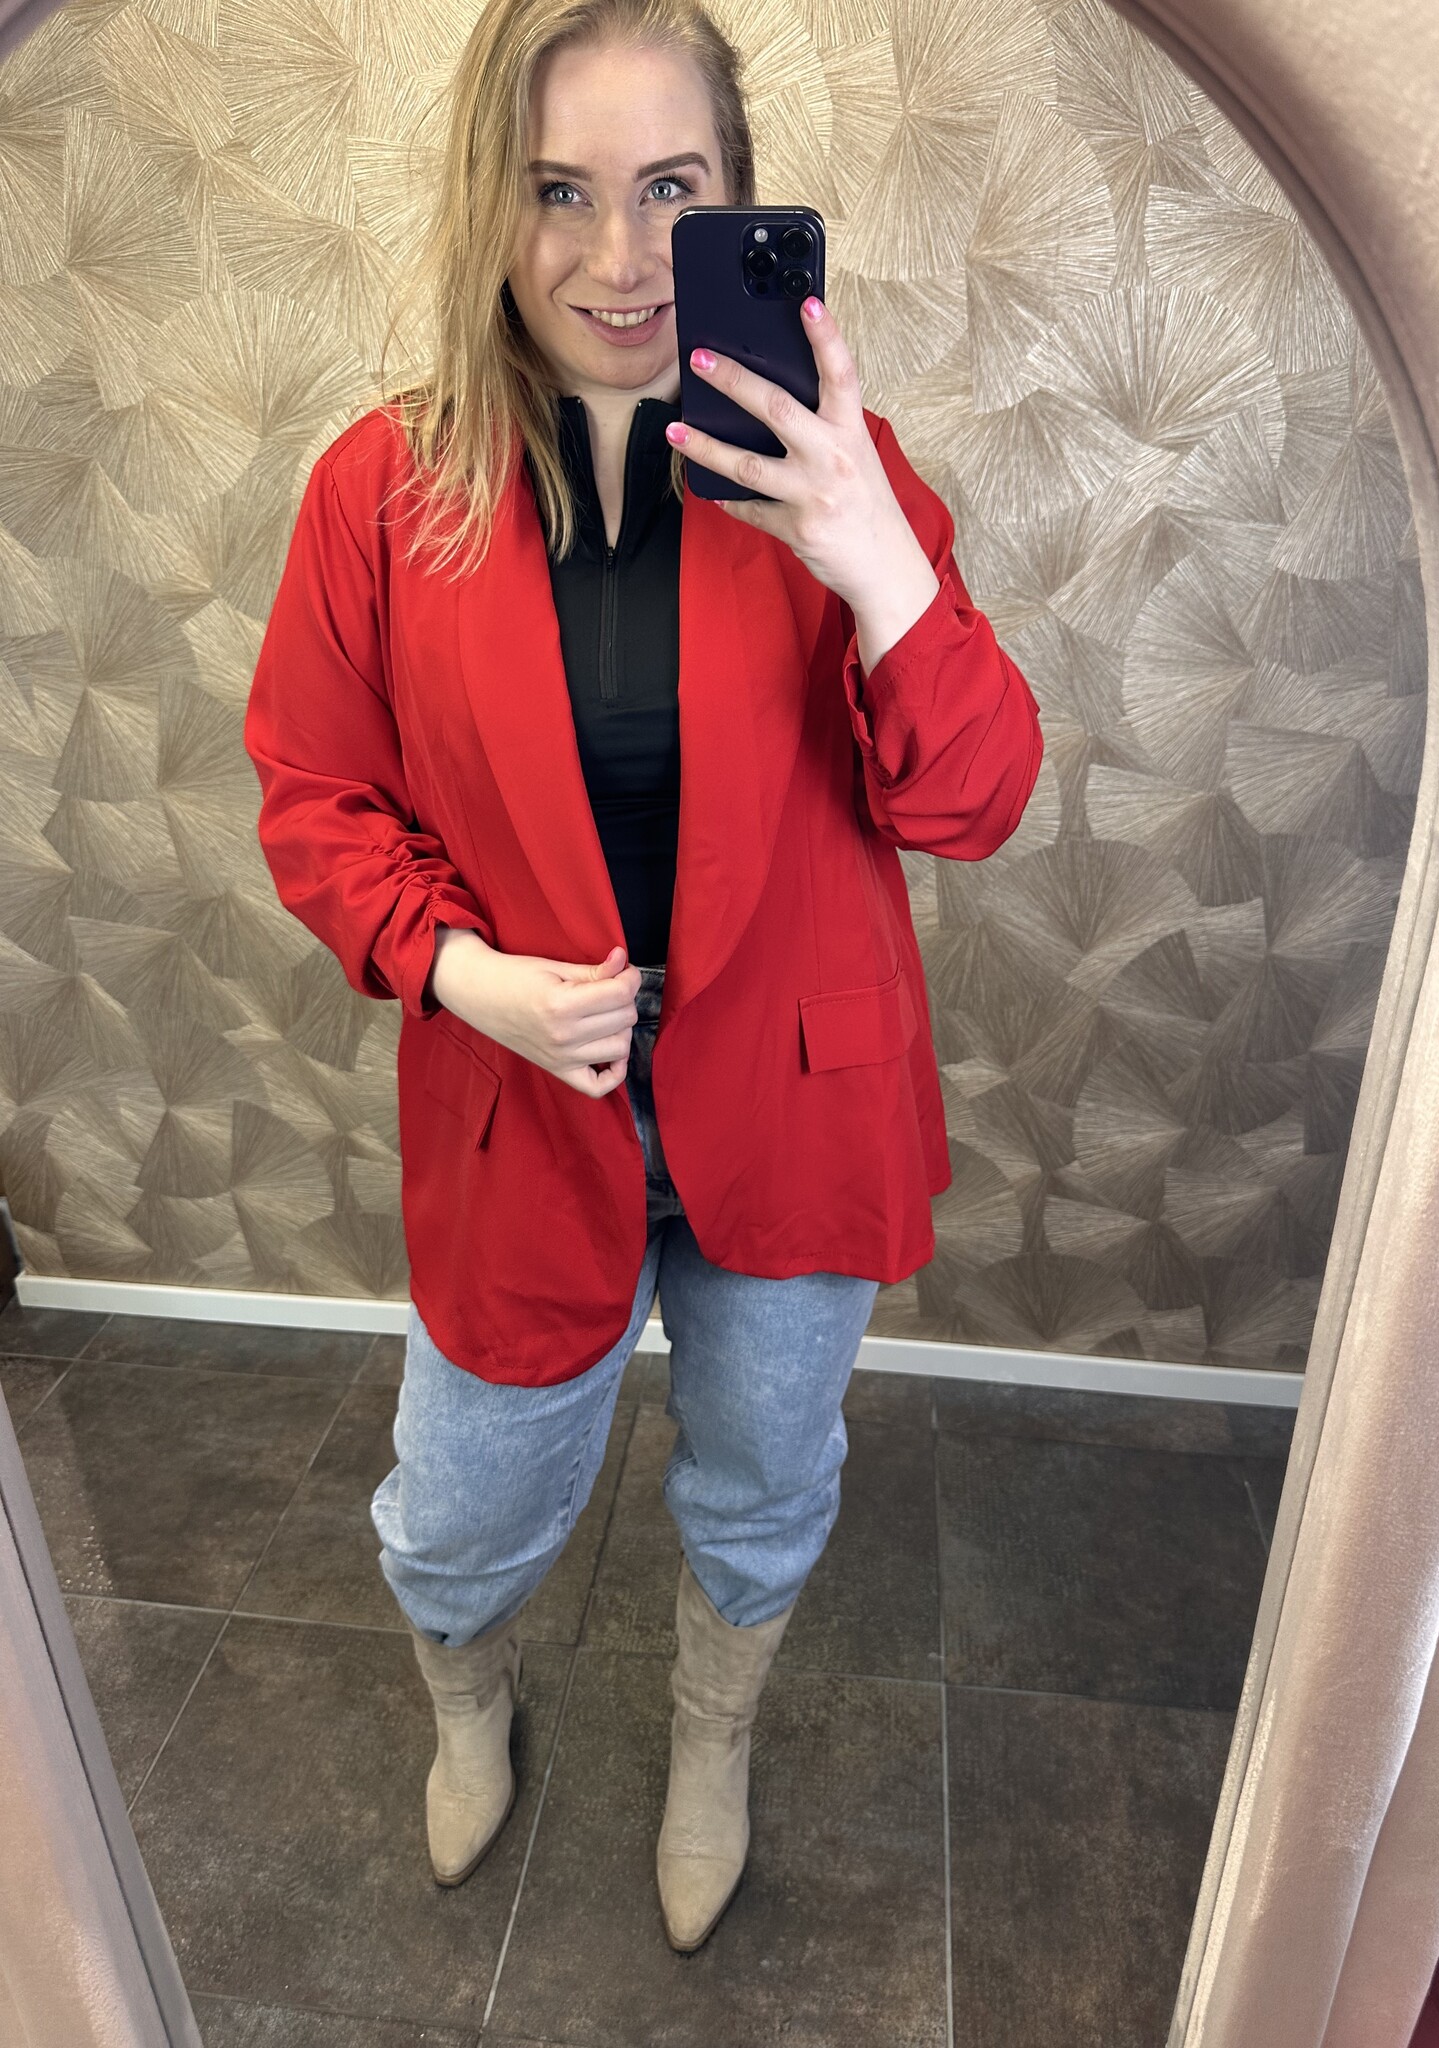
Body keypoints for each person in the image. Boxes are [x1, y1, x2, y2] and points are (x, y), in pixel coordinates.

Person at [243, 0, 1043, 1955]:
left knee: (763, 1480)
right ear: (491, 206)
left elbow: (976, 798)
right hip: (525, 1103)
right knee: (459, 1505)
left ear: (738, 200)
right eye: (560, 192)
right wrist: (463, 975)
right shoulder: (380, 490)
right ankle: (466, 1704)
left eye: (670, 191)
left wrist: (877, 560)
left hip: (796, 1100)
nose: (618, 258)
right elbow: (317, 800)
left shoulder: (837, 475)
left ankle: (714, 1737)